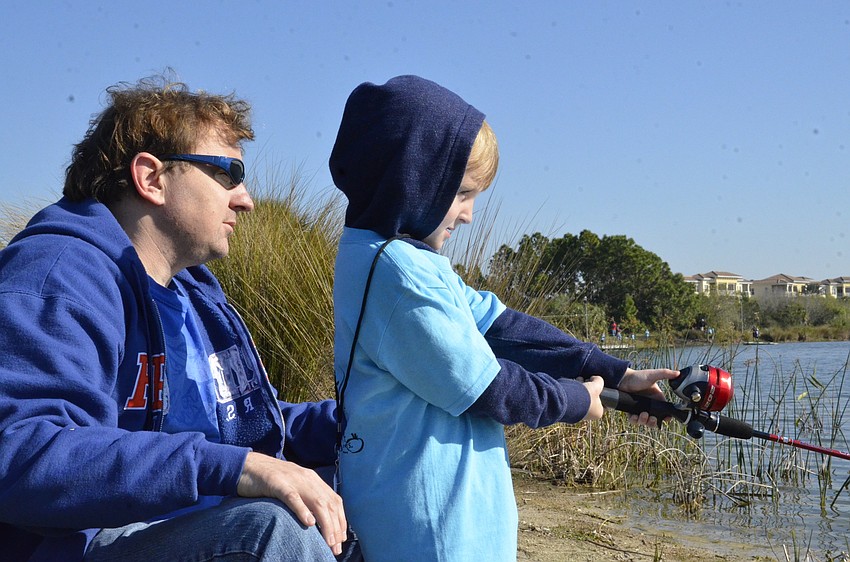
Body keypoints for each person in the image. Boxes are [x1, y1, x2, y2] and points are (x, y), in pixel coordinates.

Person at [328, 75, 678, 561]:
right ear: (415, 179)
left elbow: (500, 327)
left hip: (458, 529)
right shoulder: (395, 273)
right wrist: (579, 401)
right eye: (462, 194)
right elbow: (488, 388)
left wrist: (616, 372)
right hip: (427, 533)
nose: (469, 215)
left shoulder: (406, 260)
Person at [0, 76, 351, 561]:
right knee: (275, 531)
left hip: (190, 530)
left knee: (361, 488)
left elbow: (235, 422)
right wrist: (233, 469)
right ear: (151, 178)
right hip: (84, 545)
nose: (246, 199)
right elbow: (22, 455)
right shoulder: (56, 276)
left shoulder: (194, 290)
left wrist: (361, 426)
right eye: (227, 173)